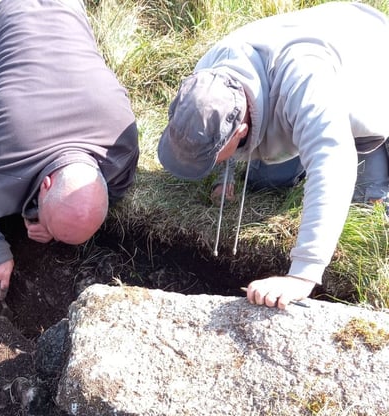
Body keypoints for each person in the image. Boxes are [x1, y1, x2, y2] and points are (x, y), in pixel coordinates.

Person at [157, 1, 389, 310]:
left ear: (240, 133)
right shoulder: (208, 74)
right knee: (268, 177)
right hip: (298, 89)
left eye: (213, 158)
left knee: (367, 201)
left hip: (370, 59)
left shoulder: (306, 81)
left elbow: (333, 160)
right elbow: (212, 119)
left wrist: (303, 275)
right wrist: (223, 175)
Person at [0, 0, 139, 301]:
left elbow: (113, 192)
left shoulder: (122, 144)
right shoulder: (5, 144)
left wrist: (41, 213)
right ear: (45, 185)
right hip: (1, 6)